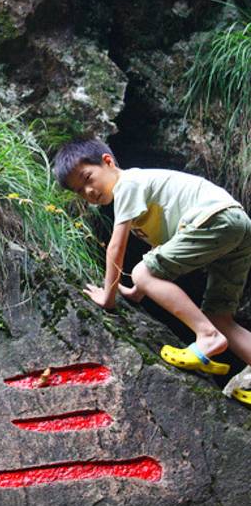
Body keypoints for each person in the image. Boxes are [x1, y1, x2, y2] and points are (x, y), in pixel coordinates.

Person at [53, 137, 251, 404]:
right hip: (236, 224)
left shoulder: (127, 184)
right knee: (220, 317)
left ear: (108, 162)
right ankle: (213, 328)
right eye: (79, 191)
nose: (88, 191)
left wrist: (108, 296)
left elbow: (116, 247)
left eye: (88, 178)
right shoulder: (142, 195)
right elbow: (164, 253)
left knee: (142, 272)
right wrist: (138, 291)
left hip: (215, 219)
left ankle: (207, 336)